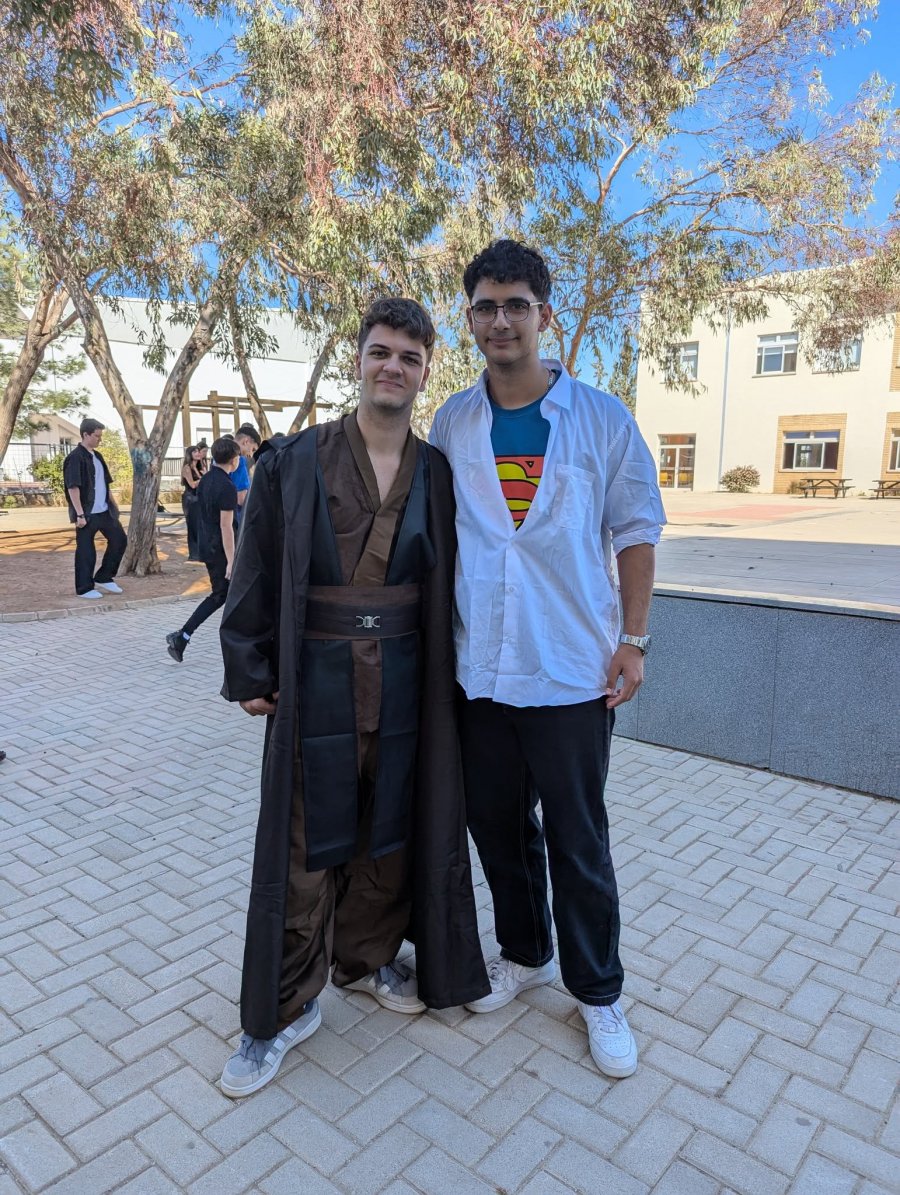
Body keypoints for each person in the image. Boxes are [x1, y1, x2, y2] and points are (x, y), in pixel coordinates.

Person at [216, 297, 488, 1098]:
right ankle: (281, 1007)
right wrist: (250, 666)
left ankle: (364, 961)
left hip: (407, 678)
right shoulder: (296, 460)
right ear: (358, 359)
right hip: (317, 679)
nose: (392, 367)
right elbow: (255, 566)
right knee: (303, 848)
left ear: (426, 371)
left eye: (409, 356)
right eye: (381, 352)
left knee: (388, 831)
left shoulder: (437, 472)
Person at [430, 240, 666, 1080]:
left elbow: (636, 529)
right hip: (482, 672)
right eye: (486, 306)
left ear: (545, 314)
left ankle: (598, 991)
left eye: (516, 305)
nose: (501, 320)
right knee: (496, 828)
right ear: (470, 318)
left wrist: (633, 639)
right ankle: (526, 952)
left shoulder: (600, 419)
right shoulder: (454, 422)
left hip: (571, 669)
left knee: (577, 836)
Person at [166, 437, 241, 662]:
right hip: (220, 550)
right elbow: (226, 526)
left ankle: (184, 636)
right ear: (234, 459)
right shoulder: (227, 486)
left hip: (207, 545)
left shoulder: (206, 479)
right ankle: (183, 636)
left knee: (226, 594)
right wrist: (231, 560)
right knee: (221, 595)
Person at [63, 418, 128, 599]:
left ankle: (104, 577)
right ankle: (84, 588)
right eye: (97, 436)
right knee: (86, 550)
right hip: (86, 513)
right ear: (86, 434)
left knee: (120, 540)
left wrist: (114, 506)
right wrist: (79, 514)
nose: (100, 439)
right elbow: (73, 487)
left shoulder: (98, 456)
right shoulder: (75, 458)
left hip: (105, 511)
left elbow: (105, 483)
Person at [230, 423, 259, 524]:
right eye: (253, 449)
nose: (251, 454)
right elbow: (241, 499)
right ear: (246, 441)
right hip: (236, 518)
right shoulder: (239, 460)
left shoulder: (218, 456)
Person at [180, 445, 206, 561]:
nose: (198, 453)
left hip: (199, 498)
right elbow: (192, 484)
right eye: (194, 452)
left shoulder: (201, 466)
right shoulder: (187, 468)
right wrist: (204, 477)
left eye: (198, 451)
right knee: (193, 525)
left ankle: (201, 552)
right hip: (190, 499)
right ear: (189, 454)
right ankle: (194, 554)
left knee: (200, 525)